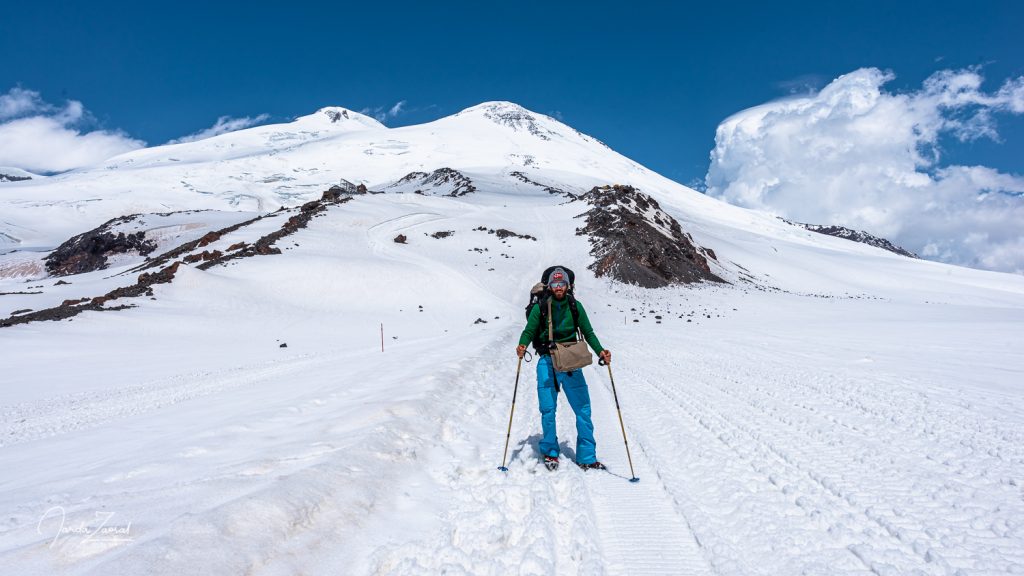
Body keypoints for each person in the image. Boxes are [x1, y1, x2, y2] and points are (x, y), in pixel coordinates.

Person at [516, 267, 611, 470]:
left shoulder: (575, 306)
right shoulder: (540, 307)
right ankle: (550, 451)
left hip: (570, 361)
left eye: (562, 284)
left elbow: (588, 332)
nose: (558, 288)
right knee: (548, 409)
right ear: (549, 286)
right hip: (546, 361)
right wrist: (522, 345)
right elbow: (529, 330)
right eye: (555, 284)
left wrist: (601, 351)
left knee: (583, 409)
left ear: (568, 286)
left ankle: (587, 456)